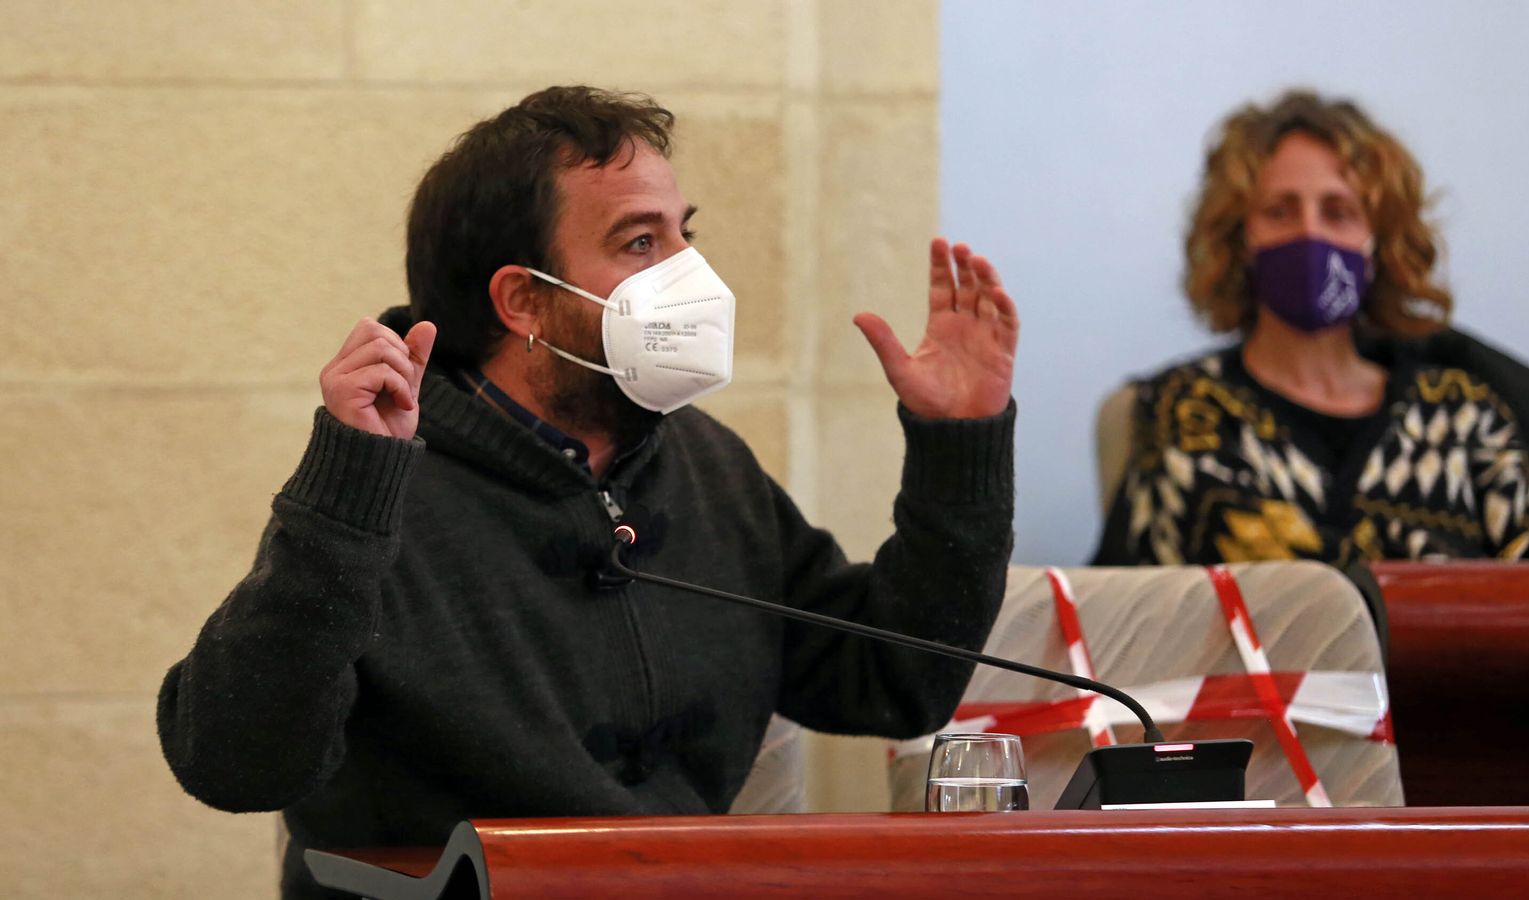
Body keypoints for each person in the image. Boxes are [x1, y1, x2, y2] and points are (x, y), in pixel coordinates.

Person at [156, 86, 1020, 898]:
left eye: (685, 234)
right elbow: (235, 763)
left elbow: (895, 679)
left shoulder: (709, 467)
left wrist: (960, 443)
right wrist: (340, 500)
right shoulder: (379, 491)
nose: (692, 275)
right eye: (641, 243)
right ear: (524, 299)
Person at [1094, 90, 1529, 567]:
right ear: (1240, 239)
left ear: (1377, 244)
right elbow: (1134, 621)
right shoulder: (1186, 409)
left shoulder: (1462, 414)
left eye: (1339, 213)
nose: (1310, 233)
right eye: (1279, 211)